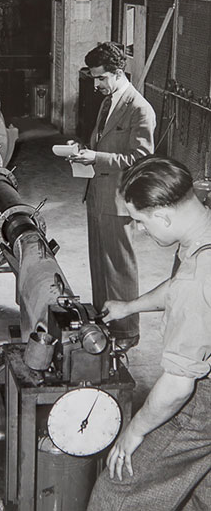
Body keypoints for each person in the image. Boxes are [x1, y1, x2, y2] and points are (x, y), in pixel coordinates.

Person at [87, 156, 211, 511]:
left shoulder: (198, 276)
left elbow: (178, 386)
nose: (139, 230)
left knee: (118, 488)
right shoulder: (203, 230)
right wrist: (129, 307)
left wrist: (135, 432)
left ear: (163, 216)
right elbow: (179, 287)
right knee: (198, 491)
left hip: (201, 406)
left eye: (140, 221)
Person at [69, 42, 156, 349]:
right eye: (94, 78)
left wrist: (97, 157)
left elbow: (141, 159)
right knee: (98, 263)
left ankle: (126, 332)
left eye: (101, 78)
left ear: (118, 73)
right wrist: (82, 152)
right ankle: (104, 321)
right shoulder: (108, 102)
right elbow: (103, 142)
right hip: (97, 194)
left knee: (119, 267)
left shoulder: (139, 108)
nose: (96, 85)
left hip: (119, 199)